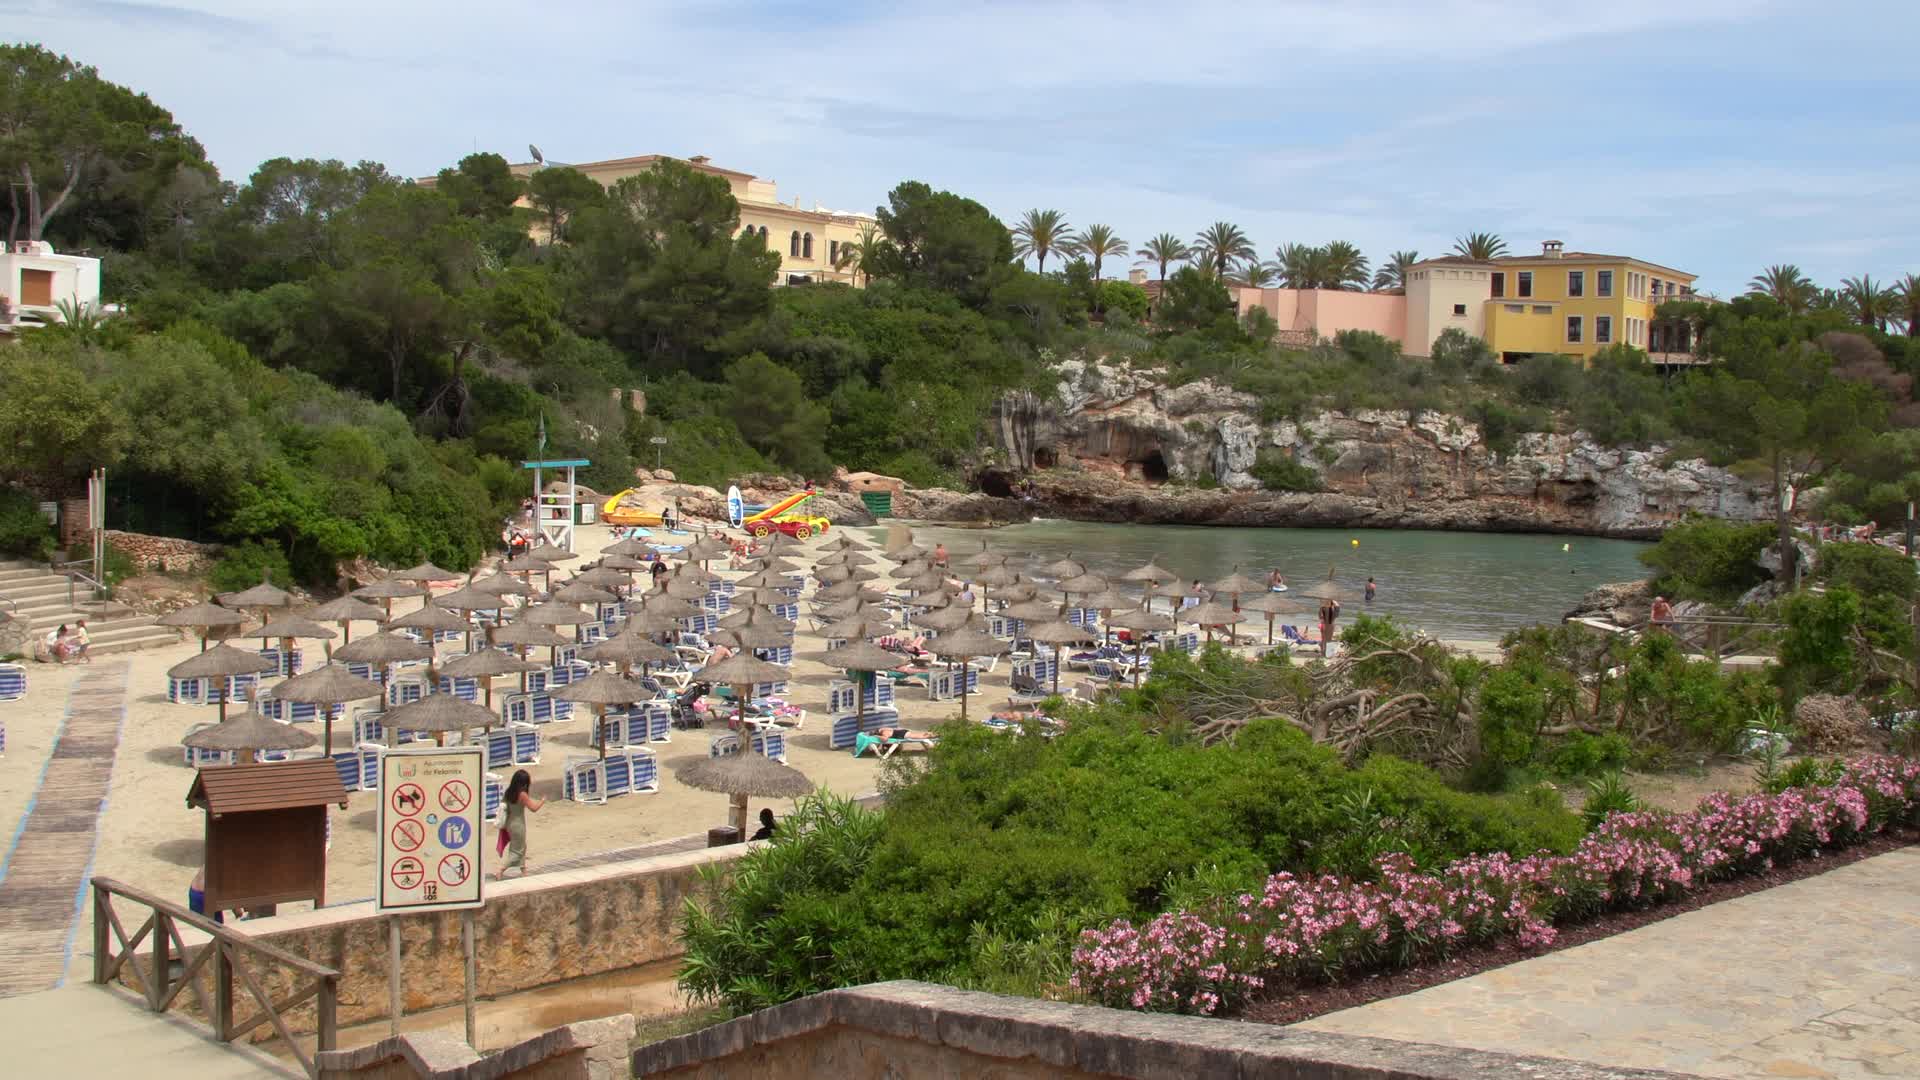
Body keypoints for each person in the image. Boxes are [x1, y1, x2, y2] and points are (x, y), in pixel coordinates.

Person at [494, 769, 544, 880]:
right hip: (518, 825)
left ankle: (523, 870)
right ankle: (501, 869)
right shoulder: (522, 794)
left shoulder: (508, 792)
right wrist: (542, 801)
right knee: (517, 851)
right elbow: (533, 808)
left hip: (509, 823)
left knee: (521, 846)